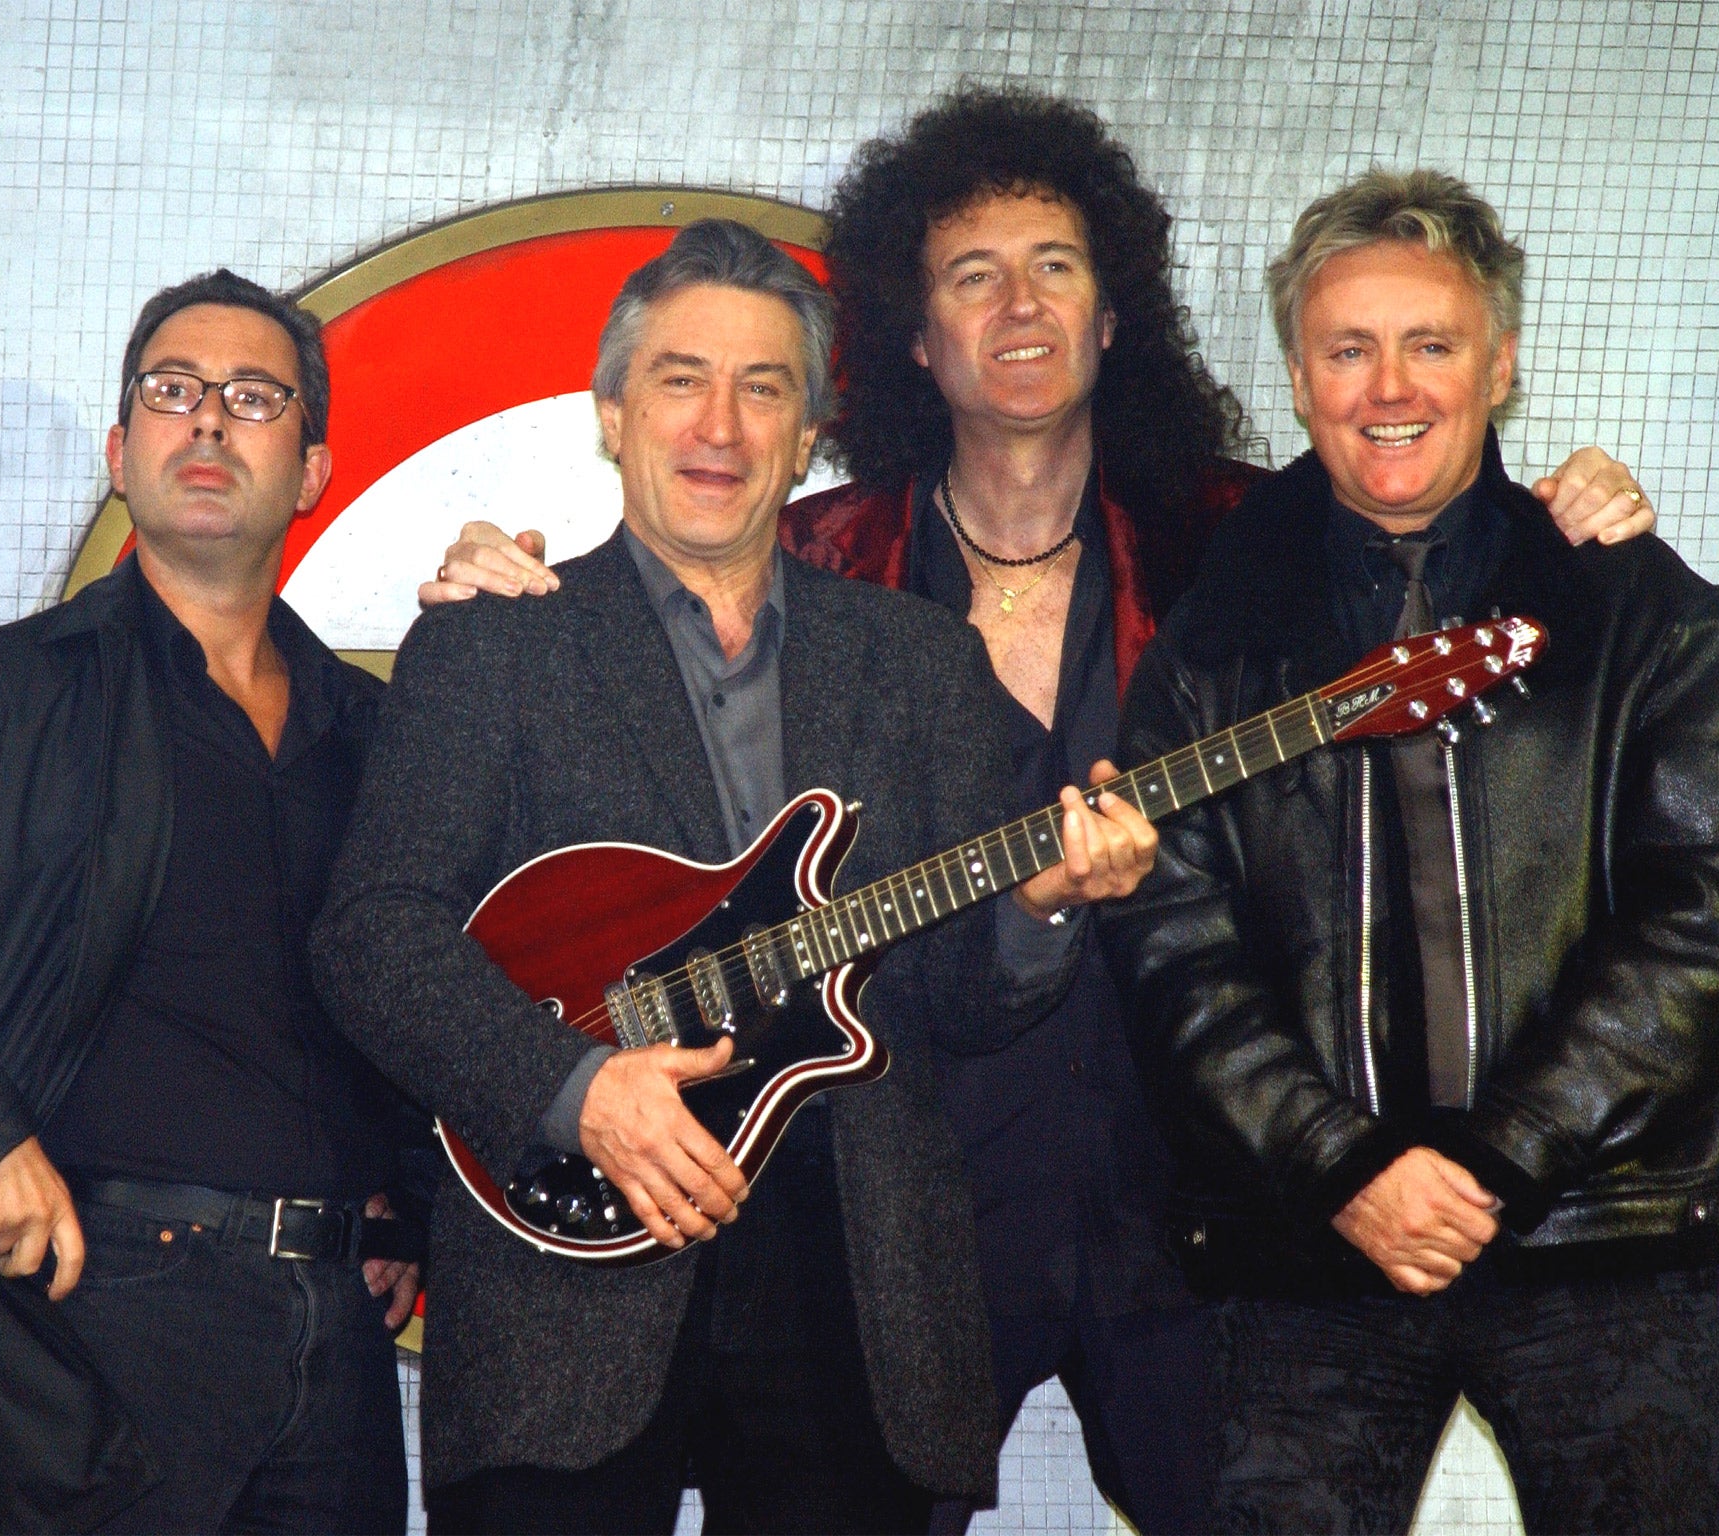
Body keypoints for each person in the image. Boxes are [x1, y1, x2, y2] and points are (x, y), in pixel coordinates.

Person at [424, 87, 1657, 1534]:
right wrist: (493, 574)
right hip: (919, 1208)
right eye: (971, 274)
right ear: (915, 334)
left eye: (1056, 266)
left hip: (1197, 1185)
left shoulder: (1245, 539)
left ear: (1114, 310)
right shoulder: (818, 563)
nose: (1019, 305)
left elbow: (1422, 496)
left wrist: (1561, 507)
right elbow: (623, 791)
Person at [311, 218, 1159, 1535]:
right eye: (679, 378)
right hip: (560, 1270)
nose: (720, 422)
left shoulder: (922, 663)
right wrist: (573, 1093)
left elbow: (963, 1003)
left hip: (856, 1282)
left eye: (764, 387)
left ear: (809, 431)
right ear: (609, 413)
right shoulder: (492, 649)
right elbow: (374, 937)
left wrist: (1042, 910)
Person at [1102, 168, 1719, 1534]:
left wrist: (1498, 1163)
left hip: (1599, 1238)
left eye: (1431, 343)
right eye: (1348, 349)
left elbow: (1711, 926)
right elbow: (1173, 948)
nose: (1388, 386)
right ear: (1298, 377)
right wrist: (1346, 1170)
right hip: (1311, 1253)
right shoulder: (1208, 634)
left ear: (1502, 364)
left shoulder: (1646, 610)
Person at [0, 269, 425, 1534]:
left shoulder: (373, 732)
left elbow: (391, 993)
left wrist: (397, 1195)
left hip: (331, 1353)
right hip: (88, 1326)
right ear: (123, 454)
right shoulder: (7, 693)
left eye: (252, 396)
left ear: (315, 466)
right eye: (172, 393)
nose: (209, 422)